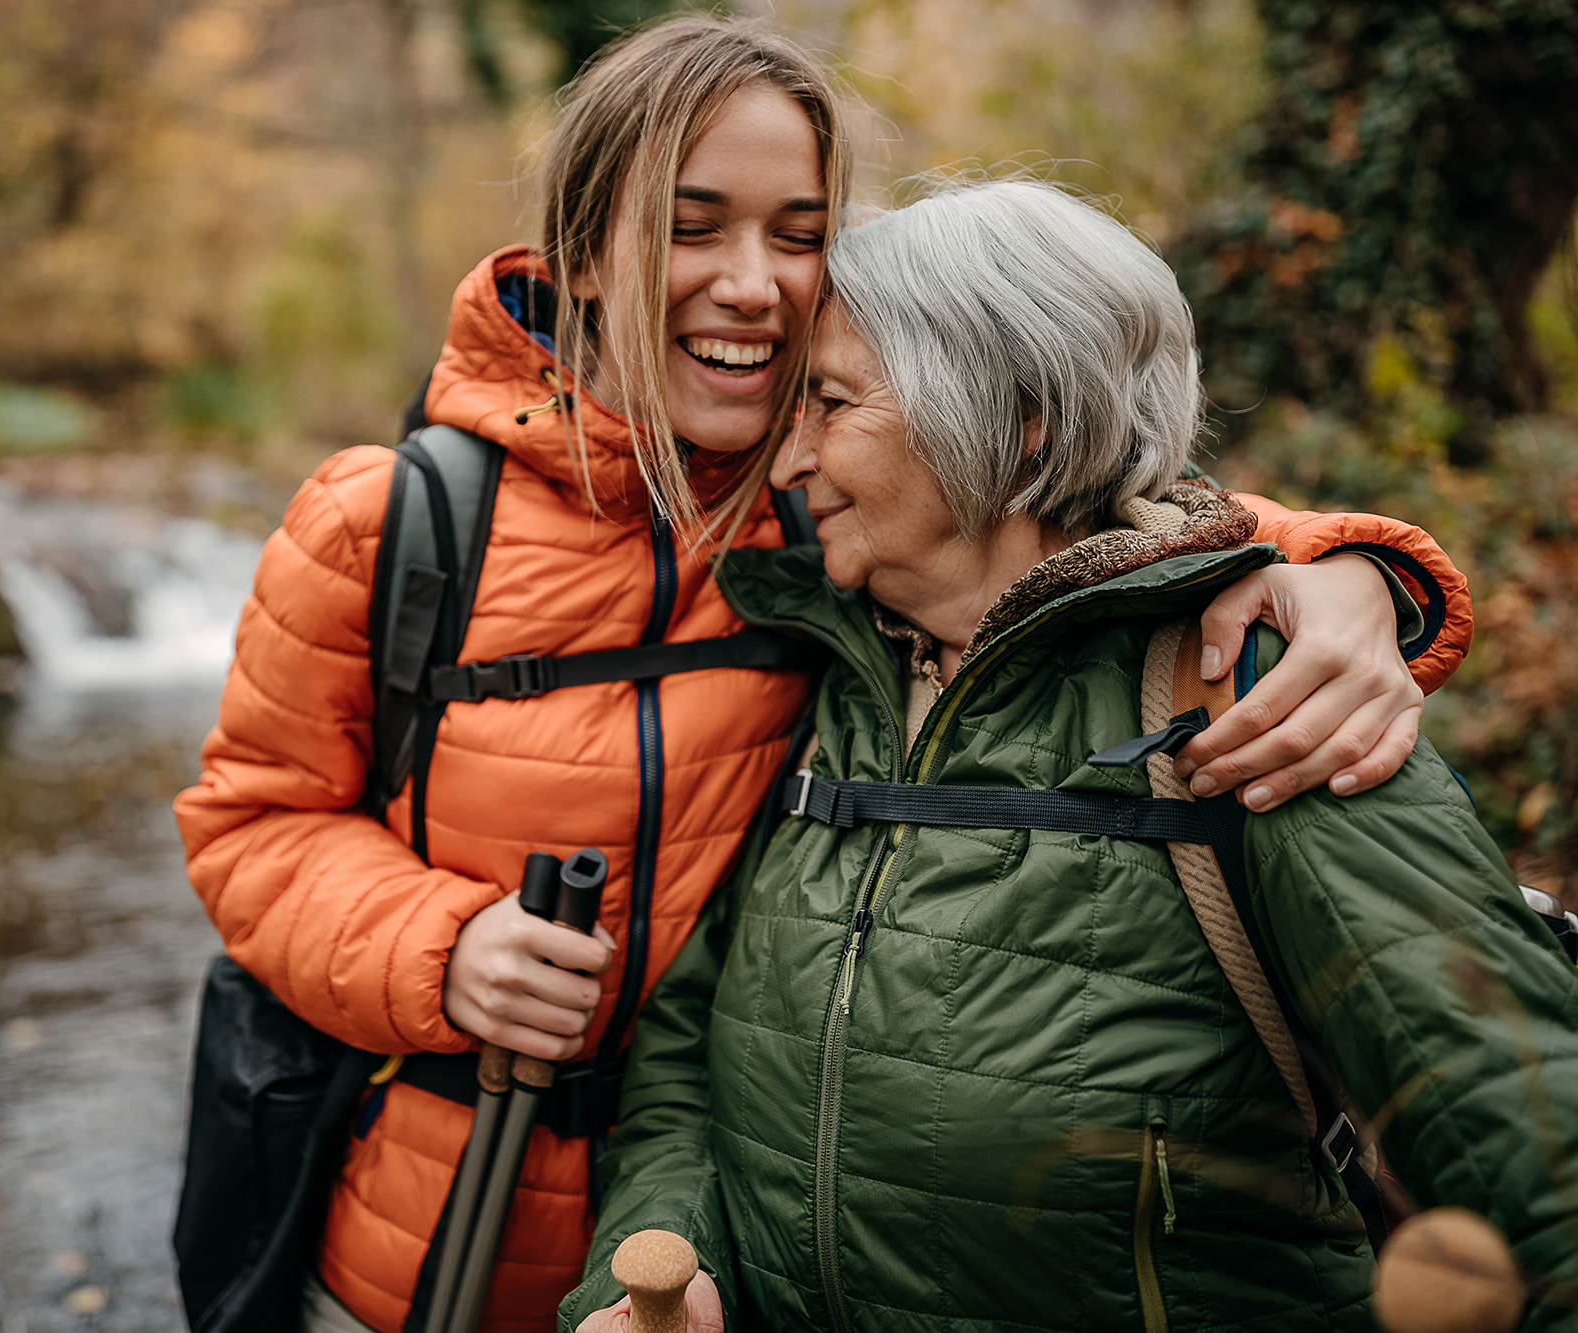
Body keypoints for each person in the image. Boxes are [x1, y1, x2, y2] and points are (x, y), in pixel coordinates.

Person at [176, 19, 1473, 1333]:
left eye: (799, 235)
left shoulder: (836, 505)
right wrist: (438, 947)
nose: (754, 284)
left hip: (736, 1256)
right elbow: (248, 829)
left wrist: (1349, 568)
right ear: (577, 249)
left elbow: (1098, 510)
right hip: (424, 1246)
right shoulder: (390, 523)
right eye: (693, 227)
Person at [563, 179, 1577, 1333]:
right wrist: (661, 1269)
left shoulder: (1252, 697)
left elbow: (1525, 1136)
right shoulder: (828, 685)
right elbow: (689, 1062)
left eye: (831, 404)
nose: (785, 460)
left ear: (1015, 418)